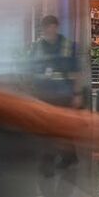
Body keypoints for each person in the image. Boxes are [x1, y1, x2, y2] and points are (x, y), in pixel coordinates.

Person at [27, 15, 81, 173]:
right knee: (46, 128)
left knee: (61, 127)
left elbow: (77, 72)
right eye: (47, 27)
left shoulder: (68, 45)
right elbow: (29, 69)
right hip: (43, 93)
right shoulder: (36, 47)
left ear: (57, 27)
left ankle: (64, 157)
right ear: (43, 29)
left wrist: (77, 94)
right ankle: (52, 160)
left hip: (64, 93)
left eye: (53, 26)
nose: (50, 29)